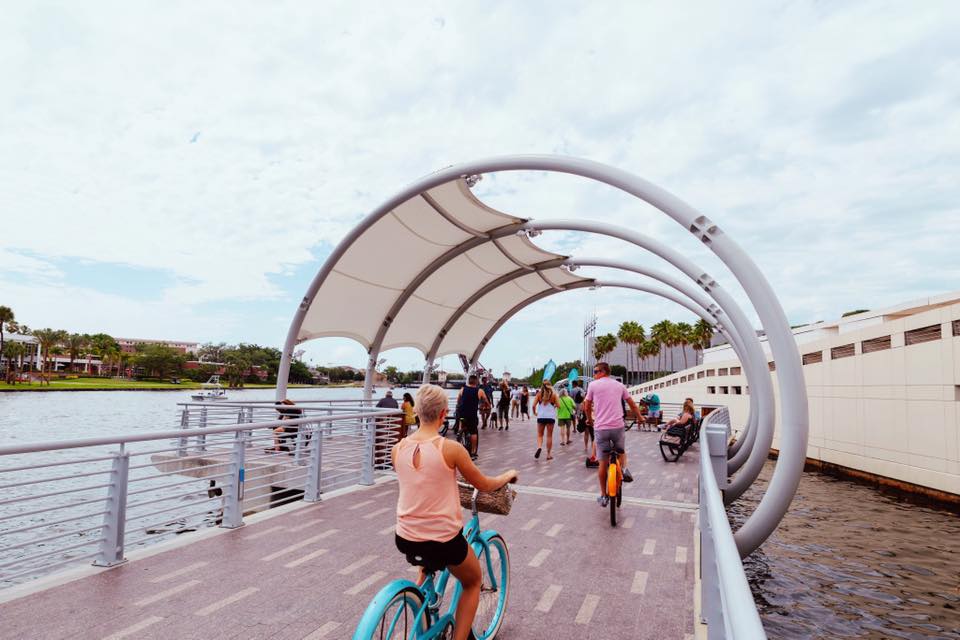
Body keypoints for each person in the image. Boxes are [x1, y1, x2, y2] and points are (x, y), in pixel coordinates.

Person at [392, 384, 518, 640]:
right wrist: (506, 476)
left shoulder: (399, 448)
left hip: (405, 536)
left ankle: (420, 603)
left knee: (426, 558)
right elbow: (482, 485)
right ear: (443, 414)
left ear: (417, 411)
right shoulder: (450, 449)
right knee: (472, 581)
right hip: (443, 539)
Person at [583, 362, 642, 507]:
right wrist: (640, 417)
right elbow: (632, 404)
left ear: (603, 371)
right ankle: (624, 469)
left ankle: (603, 496)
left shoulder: (593, 386)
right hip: (617, 426)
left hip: (601, 428)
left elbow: (586, 405)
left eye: (596, 372)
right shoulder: (620, 386)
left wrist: (590, 420)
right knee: (621, 449)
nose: (594, 375)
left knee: (602, 462)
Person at [456, 374, 488, 459]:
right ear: (476, 382)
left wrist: (459, 405)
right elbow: (485, 400)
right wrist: (485, 405)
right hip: (471, 415)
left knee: (462, 423)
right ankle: (473, 452)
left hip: (462, 414)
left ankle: (460, 434)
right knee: (473, 432)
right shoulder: (480, 391)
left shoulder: (462, 389)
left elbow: (458, 400)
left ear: (469, 381)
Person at [531, 381, 559, 460]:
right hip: (550, 417)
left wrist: (535, 413)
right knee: (549, 436)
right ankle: (548, 455)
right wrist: (554, 406)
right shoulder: (554, 395)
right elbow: (559, 405)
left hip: (541, 417)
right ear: (550, 386)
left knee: (540, 435)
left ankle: (539, 447)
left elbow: (533, 405)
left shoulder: (539, 394)